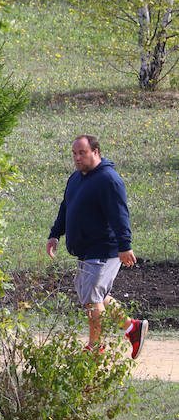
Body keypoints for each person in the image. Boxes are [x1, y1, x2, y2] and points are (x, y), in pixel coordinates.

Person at [47, 135, 147, 358]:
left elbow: (120, 214)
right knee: (96, 296)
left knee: (93, 298)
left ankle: (95, 347)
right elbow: (66, 208)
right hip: (86, 250)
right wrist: (55, 235)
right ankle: (133, 328)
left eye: (82, 153)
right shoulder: (75, 178)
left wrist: (125, 245)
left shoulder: (109, 179)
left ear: (96, 152)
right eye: (74, 153)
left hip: (105, 249)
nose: (77, 157)